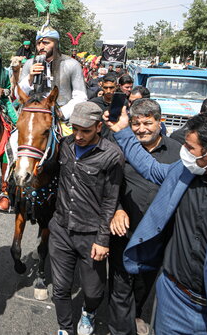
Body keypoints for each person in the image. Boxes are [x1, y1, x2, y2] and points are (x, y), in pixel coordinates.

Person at [107, 109, 207, 335]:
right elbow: (152, 168)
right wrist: (123, 132)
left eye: (190, 148)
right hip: (173, 302)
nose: (183, 152)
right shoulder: (185, 172)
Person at [50, 102, 124, 335]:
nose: (79, 136)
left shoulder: (112, 156)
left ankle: (88, 312)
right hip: (61, 229)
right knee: (60, 288)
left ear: (99, 127)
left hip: (91, 234)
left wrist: (102, 240)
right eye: (75, 129)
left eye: (86, 131)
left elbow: (111, 200)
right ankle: (65, 328)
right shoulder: (65, 145)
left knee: (93, 292)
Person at [108, 99, 180, 335]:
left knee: (143, 283)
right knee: (120, 286)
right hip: (123, 232)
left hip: (156, 237)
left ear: (161, 122)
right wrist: (117, 209)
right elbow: (107, 185)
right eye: (136, 124)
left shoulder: (178, 153)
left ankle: (136, 314)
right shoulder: (118, 147)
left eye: (148, 123)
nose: (141, 129)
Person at [17, 25, 87, 119]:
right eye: (38, 43)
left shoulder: (72, 64)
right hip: (34, 117)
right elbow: (18, 96)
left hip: (63, 118)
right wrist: (30, 78)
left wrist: (62, 113)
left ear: (56, 44)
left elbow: (81, 96)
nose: (41, 47)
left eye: (46, 43)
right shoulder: (29, 64)